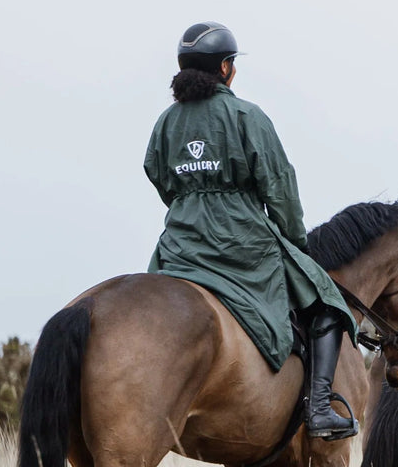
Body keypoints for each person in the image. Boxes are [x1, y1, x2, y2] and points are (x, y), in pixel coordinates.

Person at [144, 22, 358, 440]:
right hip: (241, 240)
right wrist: (297, 244)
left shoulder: (166, 122)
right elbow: (279, 187)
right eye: (231, 64)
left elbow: (158, 175)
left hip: (181, 245)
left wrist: (191, 205)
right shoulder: (246, 115)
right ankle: (318, 408)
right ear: (225, 69)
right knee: (328, 301)